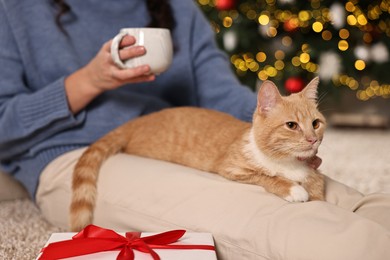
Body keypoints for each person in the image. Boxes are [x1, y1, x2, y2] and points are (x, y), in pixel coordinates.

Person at [0, 0, 389, 259]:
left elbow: (220, 92)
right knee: (270, 214)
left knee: (346, 198)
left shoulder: (177, 7)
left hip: (178, 139)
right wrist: (88, 81)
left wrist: (274, 131)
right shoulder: (16, 9)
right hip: (80, 154)